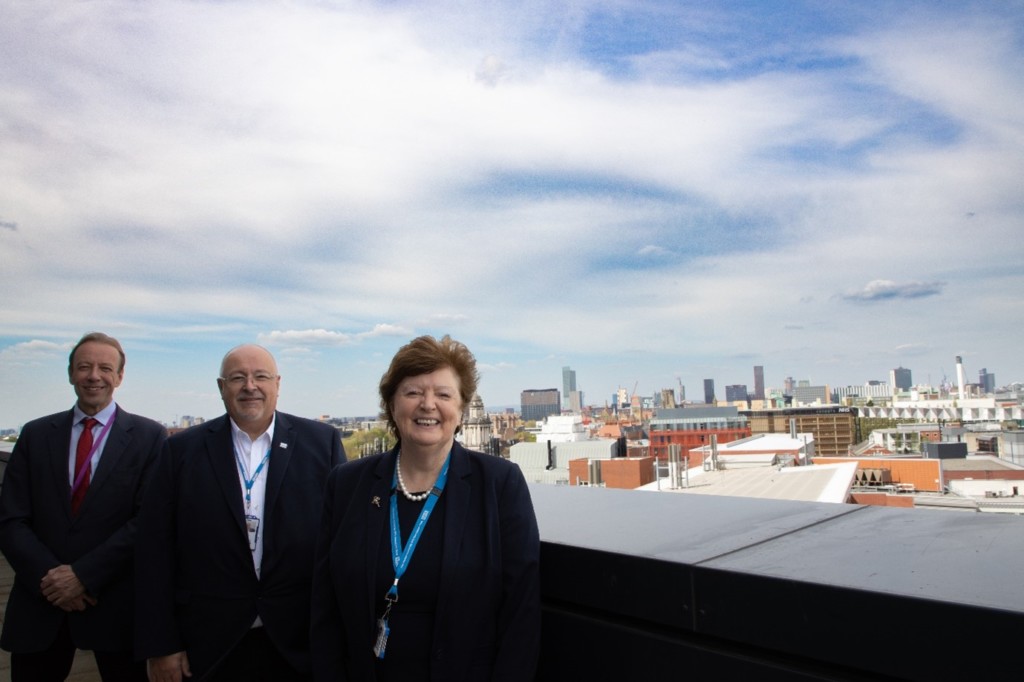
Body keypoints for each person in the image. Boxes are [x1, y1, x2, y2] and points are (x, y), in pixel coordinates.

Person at [311, 335, 540, 681]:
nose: (428, 405)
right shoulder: (346, 484)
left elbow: (520, 613)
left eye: (444, 394)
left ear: (461, 409)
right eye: (413, 392)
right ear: (391, 405)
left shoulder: (499, 483)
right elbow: (324, 607)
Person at [135, 344, 345, 682]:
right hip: (208, 646)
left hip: (297, 645)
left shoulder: (322, 443)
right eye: (238, 378)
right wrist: (161, 645)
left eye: (260, 376)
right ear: (221, 387)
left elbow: (340, 547)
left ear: (277, 384)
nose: (250, 386)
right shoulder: (180, 451)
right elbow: (154, 553)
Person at [0, 332, 167, 682]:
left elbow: (147, 521)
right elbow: (10, 517)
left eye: (105, 368)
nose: (94, 376)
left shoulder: (149, 437)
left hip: (113, 605)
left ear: (119, 377)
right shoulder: (35, 434)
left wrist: (82, 577)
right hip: (39, 601)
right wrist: (51, 579)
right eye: (84, 367)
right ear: (70, 373)